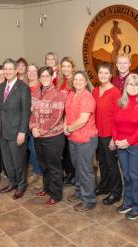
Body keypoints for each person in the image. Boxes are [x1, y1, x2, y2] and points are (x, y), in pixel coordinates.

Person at [112, 73, 138, 220]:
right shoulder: (120, 102)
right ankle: (128, 202)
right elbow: (114, 123)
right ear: (125, 86)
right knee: (127, 175)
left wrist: (128, 141)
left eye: (136, 85)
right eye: (130, 84)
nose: (133, 87)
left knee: (136, 176)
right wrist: (117, 139)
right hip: (121, 145)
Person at [0, 58, 31, 200]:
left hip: (17, 132)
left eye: (11, 69)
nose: (8, 71)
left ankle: (21, 186)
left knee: (18, 161)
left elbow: (26, 112)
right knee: (7, 161)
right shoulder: (2, 86)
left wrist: (23, 132)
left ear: (16, 70)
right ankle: (12, 182)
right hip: (3, 130)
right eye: (6, 69)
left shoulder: (23, 88)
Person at [30, 66, 66, 206]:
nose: (44, 78)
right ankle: (47, 188)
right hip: (38, 136)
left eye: (47, 76)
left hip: (53, 138)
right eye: (42, 76)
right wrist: (33, 127)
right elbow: (32, 112)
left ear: (52, 77)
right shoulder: (36, 92)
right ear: (39, 78)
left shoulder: (58, 94)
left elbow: (56, 117)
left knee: (54, 167)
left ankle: (56, 195)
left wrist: (41, 130)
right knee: (43, 165)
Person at [64, 71, 98, 212]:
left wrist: (69, 128)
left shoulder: (87, 97)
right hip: (73, 137)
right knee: (77, 168)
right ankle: (79, 192)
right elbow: (67, 113)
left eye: (81, 80)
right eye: (75, 79)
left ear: (86, 82)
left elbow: (83, 120)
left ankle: (88, 200)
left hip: (85, 139)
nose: (77, 82)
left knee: (85, 170)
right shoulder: (72, 94)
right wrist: (65, 126)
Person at [92, 62, 122, 206]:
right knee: (102, 162)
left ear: (111, 75)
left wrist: (114, 138)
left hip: (109, 135)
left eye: (106, 73)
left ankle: (116, 192)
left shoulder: (115, 92)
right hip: (97, 133)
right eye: (100, 73)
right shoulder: (95, 91)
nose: (103, 75)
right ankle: (104, 186)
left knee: (111, 164)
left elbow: (119, 116)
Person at [56, 57, 76, 186]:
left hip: (72, 122)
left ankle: (74, 175)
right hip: (60, 121)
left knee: (71, 151)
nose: (66, 68)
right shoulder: (59, 82)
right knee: (63, 151)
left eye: (68, 66)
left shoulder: (77, 81)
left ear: (73, 67)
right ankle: (68, 174)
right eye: (63, 66)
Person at [26, 64, 42, 188]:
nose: (31, 73)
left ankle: (42, 174)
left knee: (39, 150)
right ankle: (36, 171)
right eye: (29, 71)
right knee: (31, 148)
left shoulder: (41, 86)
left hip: (40, 123)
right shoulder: (24, 87)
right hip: (28, 122)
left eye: (34, 71)